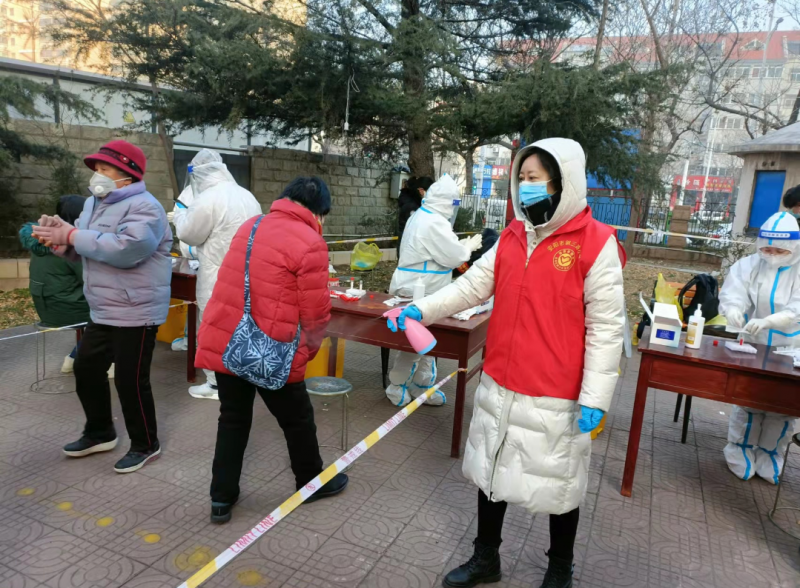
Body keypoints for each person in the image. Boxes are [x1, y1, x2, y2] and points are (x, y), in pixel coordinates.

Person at [391, 139, 626, 588]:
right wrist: (423, 311)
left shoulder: (597, 245)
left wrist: (596, 397)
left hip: (556, 390)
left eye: (534, 179)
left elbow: (606, 329)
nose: (525, 187)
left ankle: (560, 570)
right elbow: (472, 287)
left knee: (560, 486)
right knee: (491, 473)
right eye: (522, 178)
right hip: (501, 378)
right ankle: (486, 560)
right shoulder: (514, 236)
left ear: (564, 184)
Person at [195, 177, 348, 524]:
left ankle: (221, 497)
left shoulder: (252, 224)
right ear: (318, 212)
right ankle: (310, 482)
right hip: (270, 349)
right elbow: (315, 313)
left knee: (232, 419)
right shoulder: (310, 241)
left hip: (228, 340)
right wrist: (308, 350)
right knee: (297, 420)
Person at [32, 139, 172, 474]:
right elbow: (85, 247)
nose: (97, 173)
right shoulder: (94, 205)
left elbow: (127, 250)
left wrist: (72, 236)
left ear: (127, 173)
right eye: (96, 167)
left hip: (135, 309)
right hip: (103, 307)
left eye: (105, 167)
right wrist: (58, 241)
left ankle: (146, 444)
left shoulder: (146, 207)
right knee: (86, 368)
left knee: (129, 379)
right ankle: (99, 433)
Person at [169, 149, 262, 400]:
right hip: (246, 277)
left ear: (197, 174)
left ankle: (215, 385)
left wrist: (179, 216)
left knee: (214, 330)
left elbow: (189, 234)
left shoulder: (208, 198)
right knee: (240, 329)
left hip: (217, 277)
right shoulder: (247, 195)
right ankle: (241, 379)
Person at [385, 174, 482, 407]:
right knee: (416, 342)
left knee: (427, 340)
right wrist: (467, 247)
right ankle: (397, 385)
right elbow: (453, 256)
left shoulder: (422, 215)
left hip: (417, 285)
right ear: (446, 202)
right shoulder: (434, 222)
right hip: (422, 288)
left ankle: (423, 384)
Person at [720, 211, 800, 484]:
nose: (772, 254)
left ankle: (771, 453)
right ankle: (739, 448)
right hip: (753, 345)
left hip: (790, 345)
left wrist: (770, 321)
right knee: (749, 399)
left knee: (783, 405)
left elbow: (796, 309)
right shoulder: (750, 265)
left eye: (779, 250)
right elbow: (734, 292)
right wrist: (732, 310)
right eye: (766, 248)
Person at [20, 195, 91, 373]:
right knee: (115, 312)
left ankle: (73, 357)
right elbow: (91, 280)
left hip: (45, 306)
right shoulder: (68, 243)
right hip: (68, 308)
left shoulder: (41, 238)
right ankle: (107, 363)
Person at [397, 175, 434, 253]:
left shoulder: (413, 202)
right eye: (431, 191)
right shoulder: (412, 207)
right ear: (421, 190)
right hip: (409, 249)